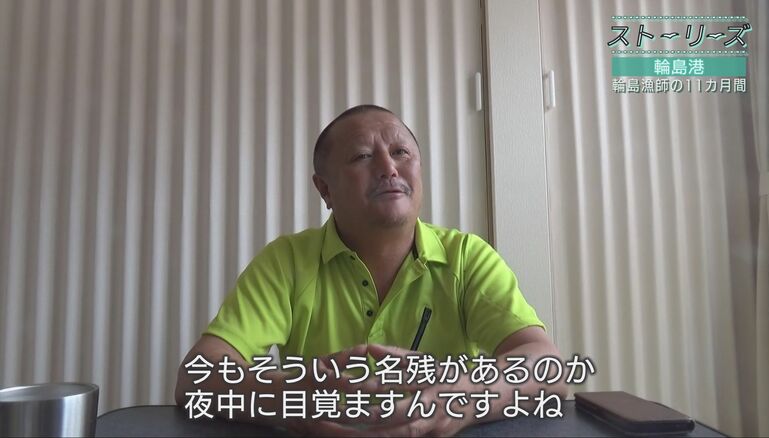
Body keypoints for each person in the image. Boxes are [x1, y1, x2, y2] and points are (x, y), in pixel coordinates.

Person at [175, 104, 567, 436]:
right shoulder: (288, 261)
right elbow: (196, 376)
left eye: (401, 152)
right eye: (362, 156)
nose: (388, 168)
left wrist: (460, 397)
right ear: (324, 189)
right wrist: (288, 397)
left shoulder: (467, 257)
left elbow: (547, 367)